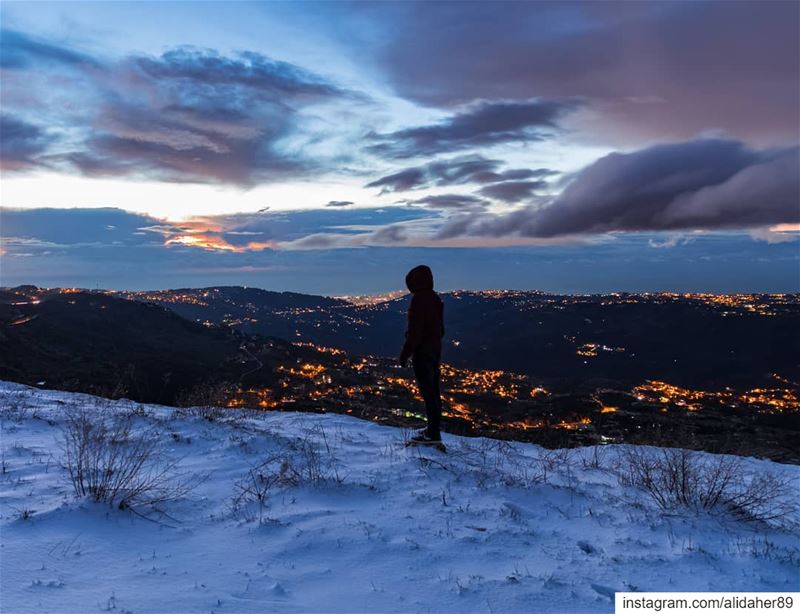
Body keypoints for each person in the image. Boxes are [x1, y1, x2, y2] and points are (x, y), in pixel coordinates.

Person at [398, 265, 445, 446]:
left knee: (428, 394)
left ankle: (432, 435)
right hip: (434, 351)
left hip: (422, 352)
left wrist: (405, 354)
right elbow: (440, 329)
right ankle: (433, 430)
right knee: (434, 393)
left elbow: (415, 332)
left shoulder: (419, 300)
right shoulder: (434, 298)